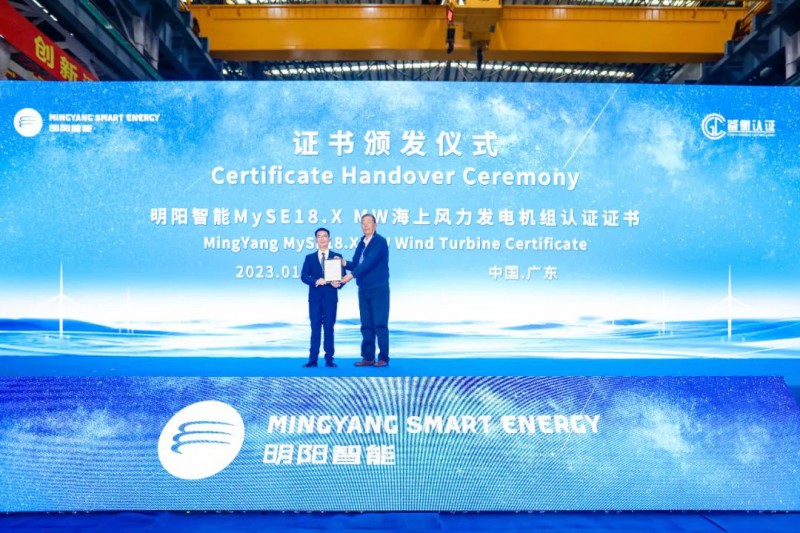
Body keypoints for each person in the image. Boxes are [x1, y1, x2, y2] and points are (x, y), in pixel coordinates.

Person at [341, 213, 390, 367]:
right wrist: (343, 263)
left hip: (378, 288)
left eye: (369, 222)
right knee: (366, 324)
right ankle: (368, 357)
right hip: (363, 289)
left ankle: (383, 358)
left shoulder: (380, 242)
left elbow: (368, 263)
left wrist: (350, 276)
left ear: (375, 225)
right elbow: (356, 264)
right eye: (363, 223)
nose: (366, 225)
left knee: (380, 324)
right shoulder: (361, 243)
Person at [300, 227, 346, 368]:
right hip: (315, 299)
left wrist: (338, 284)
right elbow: (303, 277)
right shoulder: (309, 258)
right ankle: (312, 359)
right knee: (315, 328)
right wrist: (315, 281)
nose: (322, 238)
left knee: (329, 328)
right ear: (316, 240)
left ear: (329, 239)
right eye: (319, 236)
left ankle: (329, 360)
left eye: (324, 236)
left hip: (330, 299)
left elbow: (343, 277)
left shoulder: (337, 257)